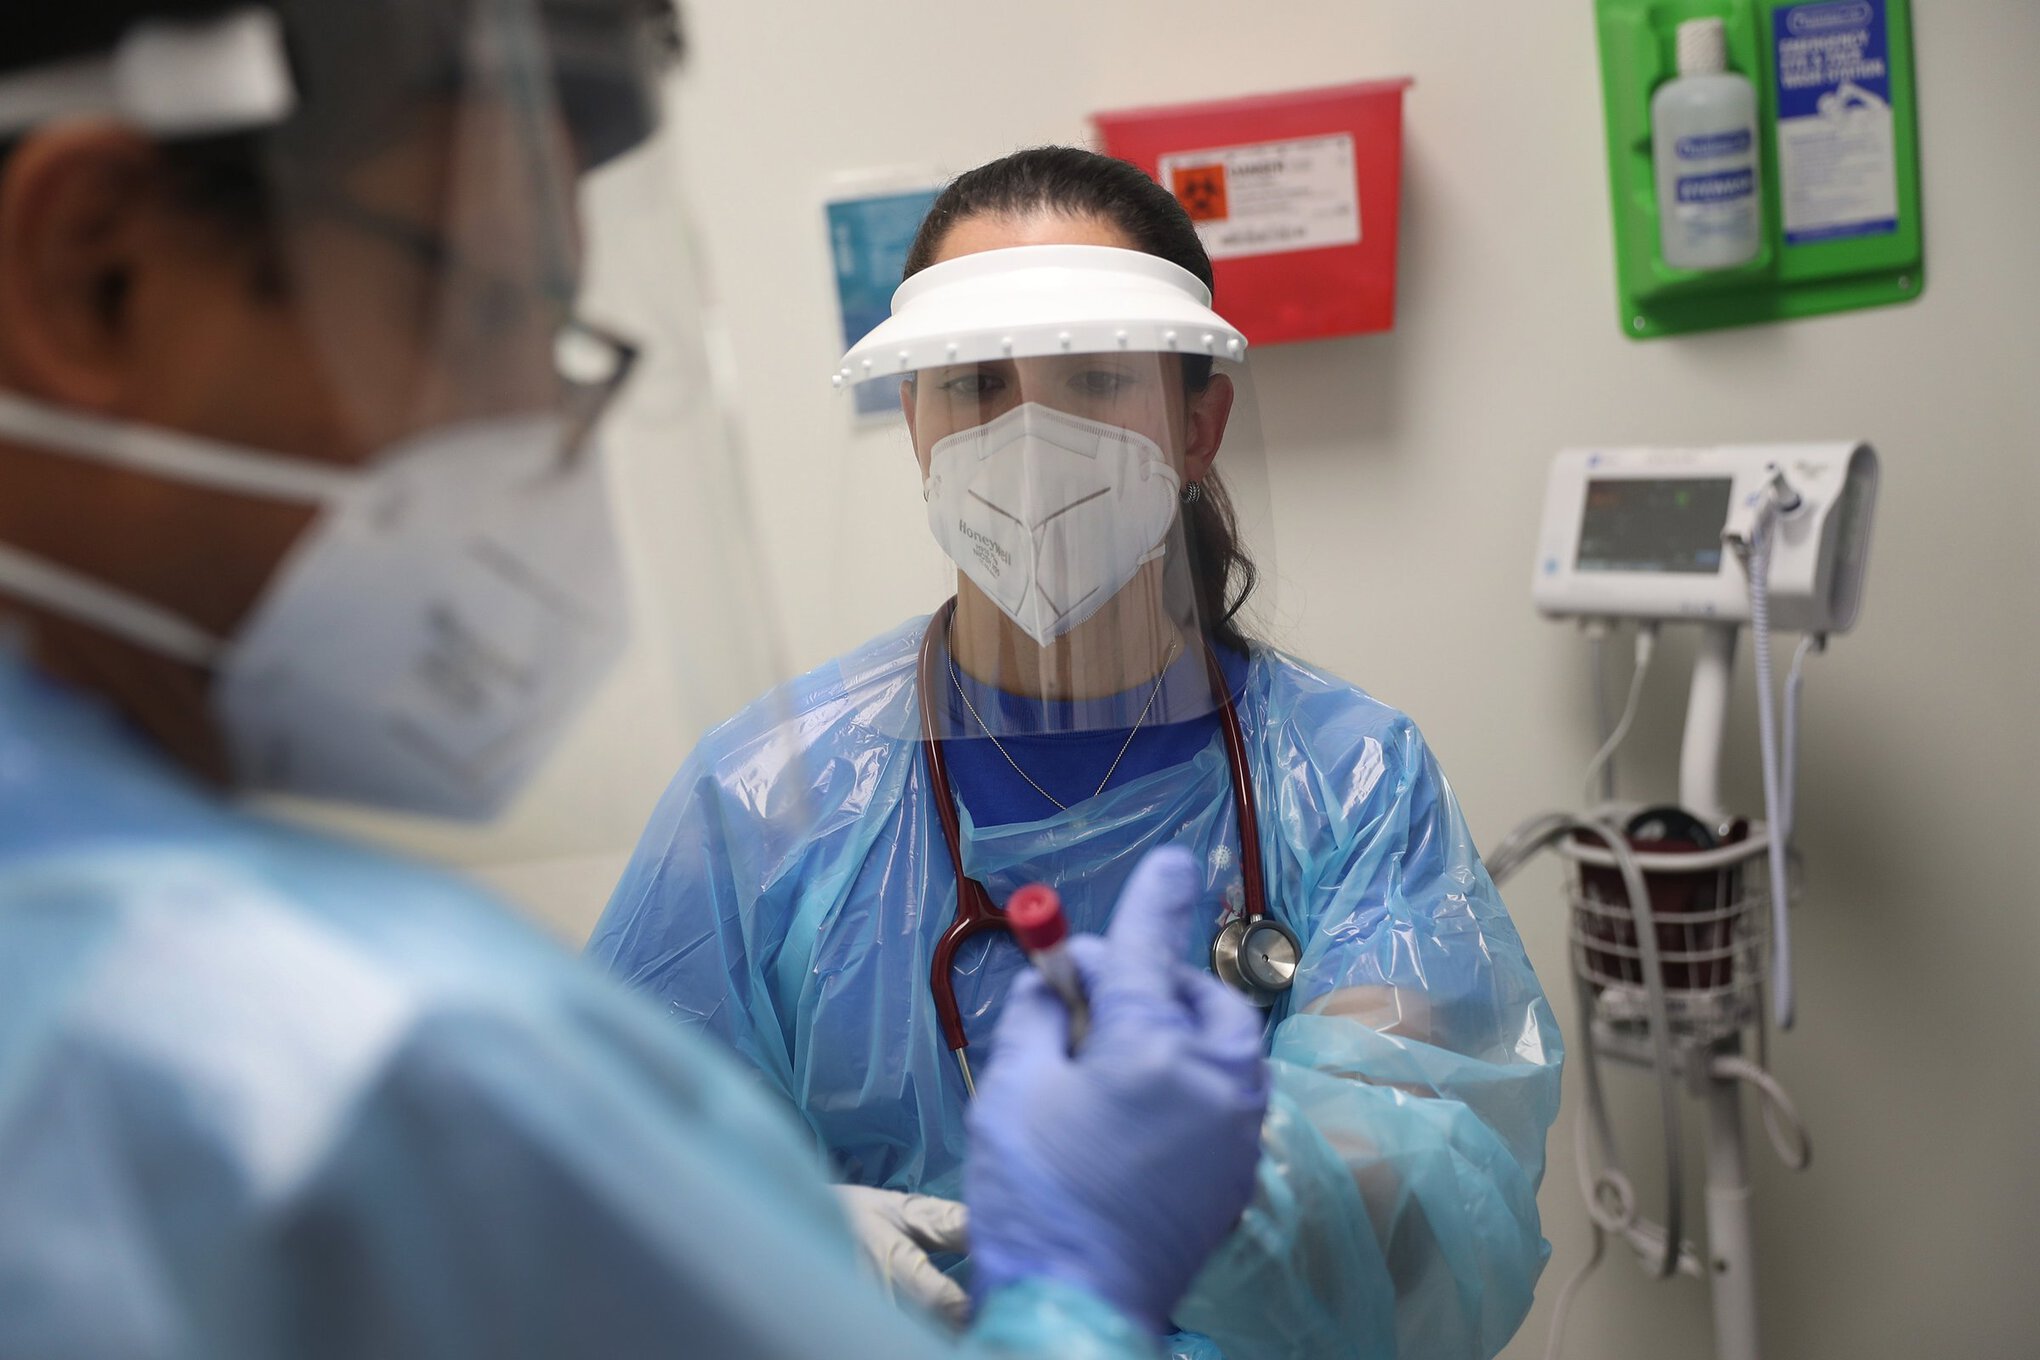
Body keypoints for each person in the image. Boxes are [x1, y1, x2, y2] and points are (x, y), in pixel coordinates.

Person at [0, 7, 1270, 1356]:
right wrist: (1079, 1285)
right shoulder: (345, 1067)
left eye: (1096, 380)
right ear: (97, 269)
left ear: (1197, 422)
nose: (549, 425)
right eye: (486, 309)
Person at [590, 146, 1566, 1360]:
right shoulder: (765, 796)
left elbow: (1432, 1195)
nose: (1028, 439)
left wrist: (1189, 1196)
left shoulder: (1353, 781)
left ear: (1198, 422)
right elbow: (597, 1173)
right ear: (915, 423)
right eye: (975, 383)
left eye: (1095, 376)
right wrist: (777, 1233)